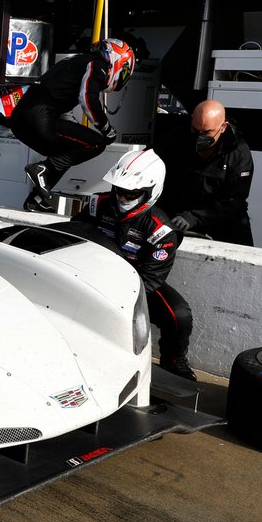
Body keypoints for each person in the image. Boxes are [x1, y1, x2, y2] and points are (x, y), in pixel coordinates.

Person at [72, 148, 196, 380]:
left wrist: (115, 297)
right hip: (89, 272)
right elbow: (73, 235)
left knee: (179, 314)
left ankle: (174, 361)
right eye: (119, 190)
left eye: (132, 193)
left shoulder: (161, 230)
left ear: (150, 191)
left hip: (133, 283)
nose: (122, 198)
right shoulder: (97, 204)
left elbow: (151, 279)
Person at [9, 38, 136, 213]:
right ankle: (42, 170)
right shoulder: (97, 64)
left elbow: (61, 104)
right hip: (38, 118)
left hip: (22, 119)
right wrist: (106, 128)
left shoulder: (76, 61)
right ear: (117, 59)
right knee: (96, 143)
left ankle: (37, 199)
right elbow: (87, 98)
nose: (121, 78)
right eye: (124, 72)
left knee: (68, 149)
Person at [158, 99, 254, 245]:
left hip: (224, 218)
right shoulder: (176, 139)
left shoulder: (238, 154)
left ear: (223, 127)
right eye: (195, 130)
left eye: (207, 132)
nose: (199, 137)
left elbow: (233, 201)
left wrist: (195, 217)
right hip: (180, 214)